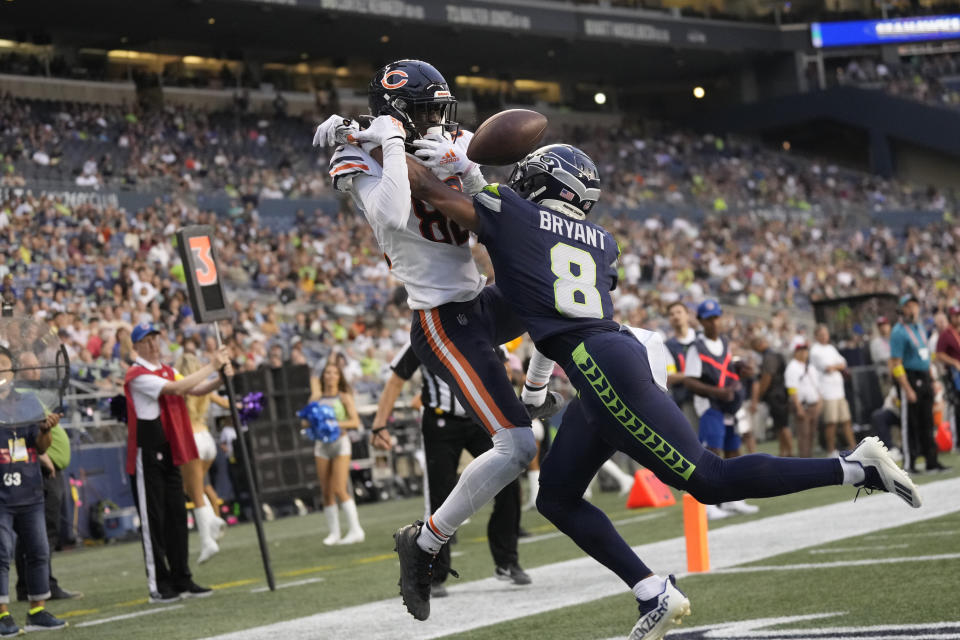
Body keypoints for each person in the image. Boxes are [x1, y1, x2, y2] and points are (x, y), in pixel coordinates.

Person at [404, 143, 921, 640]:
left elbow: (427, 186)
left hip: (599, 365)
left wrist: (386, 141)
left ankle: (854, 467)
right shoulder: (602, 240)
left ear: (543, 180)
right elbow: (548, 314)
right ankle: (653, 592)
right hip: (611, 356)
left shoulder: (515, 214)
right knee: (557, 498)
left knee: (709, 478)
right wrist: (537, 386)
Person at [313, 59, 536, 621]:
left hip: (479, 299)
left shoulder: (445, 138)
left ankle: (537, 392)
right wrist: (388, 142)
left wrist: (472, 170)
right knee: (517, 448)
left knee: (556, 288)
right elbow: (390, 215)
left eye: (441, 108)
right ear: (396, 114)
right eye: (425, 110)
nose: (438, 120)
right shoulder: (363, 151)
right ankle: (427, 540)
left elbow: (496, 218)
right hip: (442, 317)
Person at [373, 342, 529, 596]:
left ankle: (507, 561)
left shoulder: (481, 329)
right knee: (439, 496)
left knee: (508, 482)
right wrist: (379, 425)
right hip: (440, 422)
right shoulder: (421, 337)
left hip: (481, 419)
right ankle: (435, 574)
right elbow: (397, 378)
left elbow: (503, 368)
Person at [124, 323, 230, 603]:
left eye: (155, 338)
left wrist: (221, 378)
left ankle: (182, 577)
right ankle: (159, 583)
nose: (153, 344)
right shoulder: (138, 374)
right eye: (146, 341)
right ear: (136, 347)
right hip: (148, 451)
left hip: (171, 447)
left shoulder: (167, 369)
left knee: (176, 515)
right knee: (154, 519)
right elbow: (177, 388)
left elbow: (195, 390)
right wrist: (212, 364)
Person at [0, 346, 66, 635]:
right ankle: (2, 615)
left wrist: (45, 430)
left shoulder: (27, 402)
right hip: (1, 494)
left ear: (12, 372)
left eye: (5, 368)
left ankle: (37, 609)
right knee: (1, 554)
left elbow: (38, 447)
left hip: (29, 488)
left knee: (39, 551)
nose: (2, 373)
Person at [14, 351, 80, 603]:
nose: (37, 371)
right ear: (18, 370)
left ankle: (31, 585)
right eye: (31, 367)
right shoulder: (19, 396)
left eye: (38, 366)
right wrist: (42, 456)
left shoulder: (32, 396)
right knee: (42, 531)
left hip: (48, 468)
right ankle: (43, 584)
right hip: (40, 470)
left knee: (38, 531)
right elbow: (23, 433)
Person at [683, 300, 758, 519]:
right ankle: (709, 503)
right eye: (709, 319)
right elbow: (689, 381)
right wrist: (716, 393)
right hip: (710, 405)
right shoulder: (696, 347)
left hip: (728, 405)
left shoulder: (724, 342)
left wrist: (738, 367)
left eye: (716, 317)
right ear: (701, 321)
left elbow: (725, 365)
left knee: (733, 450)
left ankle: (733, 498)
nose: (714, 322)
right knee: (712, 453)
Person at [176, 351, 229, 564]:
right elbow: (221, 399)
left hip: (192, 440)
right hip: (207, 439)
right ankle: (213, 521)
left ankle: (208, 540)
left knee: (195, 493)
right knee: (194, 488)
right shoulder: (202, 386)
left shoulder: (182, 387)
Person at [308, 360, 364, 545]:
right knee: (326, 491)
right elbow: (305, 422)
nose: (330, 376)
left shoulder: (344, 396)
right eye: (327, 373)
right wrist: (312, 425)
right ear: (323, 376)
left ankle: (356, 530)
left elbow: (354, 422)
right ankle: (334, 533)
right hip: (321, 445)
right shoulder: (316, 398)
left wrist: (334, 424)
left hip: (340, 443)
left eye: (334, 373)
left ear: (339, 377)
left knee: (339, 488)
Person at [890, 295, 947, 473]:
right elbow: (896, 363)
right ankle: (910, 463)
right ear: (902, 309)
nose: (913, 309)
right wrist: (906, 388)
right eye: (909, 306)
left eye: (915, 305)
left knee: (927, 421)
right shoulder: (898, 331)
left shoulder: (920, 328)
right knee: (910, 423)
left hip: (924, 375)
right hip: (910, 377)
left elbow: (926, 355)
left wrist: (933, 379)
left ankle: (932, 461)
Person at [809, 324, 856, 456]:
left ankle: (854, 447)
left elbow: (843, 362)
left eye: (826, 334)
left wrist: (837, 366)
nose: (825, 336)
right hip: (827, 392)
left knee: (846, 420)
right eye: (822, 334)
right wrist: (838, 366)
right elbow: (828, 367)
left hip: (839, 391)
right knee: (831, 423)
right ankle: (831, 450)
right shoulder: (815, 351)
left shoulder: (830, 348)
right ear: (816, 336)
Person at [751, 335, 792, 457]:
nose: (755, 350)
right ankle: (783, 453)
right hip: (780, 394)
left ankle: (790, 453)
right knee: (780, 426)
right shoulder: (774, 354)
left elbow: (767, 377)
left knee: (783, 426)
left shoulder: (769, 356)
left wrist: (759, 394)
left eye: (755, 347)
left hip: (776, 395)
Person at [783, 341, 822, 459]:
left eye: (806, 350)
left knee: (812, 435)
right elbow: (791, 389)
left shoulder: (810, 366)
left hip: (814, 404)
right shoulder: (792, 367)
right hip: (803, 405)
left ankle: (810, 458)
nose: (805, 353)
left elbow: (817, 385)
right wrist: (798, 407)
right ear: (796, 352)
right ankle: (805, 460)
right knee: (804, 435)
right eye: (802, 350)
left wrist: (820, 401)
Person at [664, 301, 698, 429]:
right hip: (687, 398)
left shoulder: (700, 338)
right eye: (671, 314)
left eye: (679, 312)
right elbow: (670, 376)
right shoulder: (668, 345)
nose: (675, 316)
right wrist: (696, 372)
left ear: (688, 315)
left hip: (709, 396)